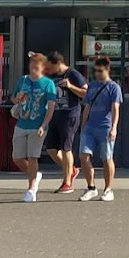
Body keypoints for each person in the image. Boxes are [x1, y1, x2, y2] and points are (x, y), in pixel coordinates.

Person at [11, 52, 59, 201]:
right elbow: (13, 98)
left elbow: (51, 106)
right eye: (31, 64)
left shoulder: (48, 84)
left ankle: (31, 189)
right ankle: (35, 175)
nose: (33, 67)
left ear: (42, 67)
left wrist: (44, 125)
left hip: (37, 125)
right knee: (17, 158)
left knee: (32, 157)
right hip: (21, 123)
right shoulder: (23, 80)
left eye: (36, 65)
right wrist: (17, 98)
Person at [79, 55, 123, 202]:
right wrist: (83, 125)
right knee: (83, 156)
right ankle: (91, 187)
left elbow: (115, 108)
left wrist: (114, 127)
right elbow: (87, 106)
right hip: (90, 127)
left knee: (106, 158)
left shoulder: (114, 87)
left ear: (107, 70)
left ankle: (108, 189)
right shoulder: (92, 86)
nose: (97, 73)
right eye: (95, 71)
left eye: (100, 71)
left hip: (105, 127)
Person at [44, 52, 88, 194]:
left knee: (66, 148)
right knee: (51, 148)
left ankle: (67, 182)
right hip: (55, 114)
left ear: (58, 63)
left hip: (69, 114)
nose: (48, 70)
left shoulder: (73, 74)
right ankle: (72, 170)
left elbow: (86, 93)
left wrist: (70, 86)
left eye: (50, 67)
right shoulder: (51, 77)